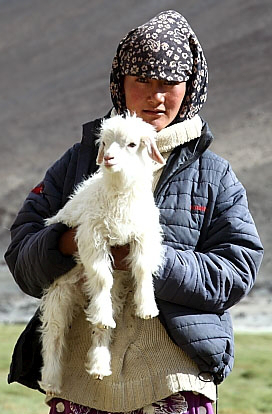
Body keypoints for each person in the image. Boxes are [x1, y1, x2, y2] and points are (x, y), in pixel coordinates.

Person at [5, 10, 263, 414]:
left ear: (190, 87)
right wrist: (73, 241)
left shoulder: (214, 176)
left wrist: (144, 258)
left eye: (168, 83)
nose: (154, 95)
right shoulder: (78, 163)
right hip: (78, 385)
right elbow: (22, 255)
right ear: (119, 83)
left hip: (172, 381)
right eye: (141, 79)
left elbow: (236, 272)